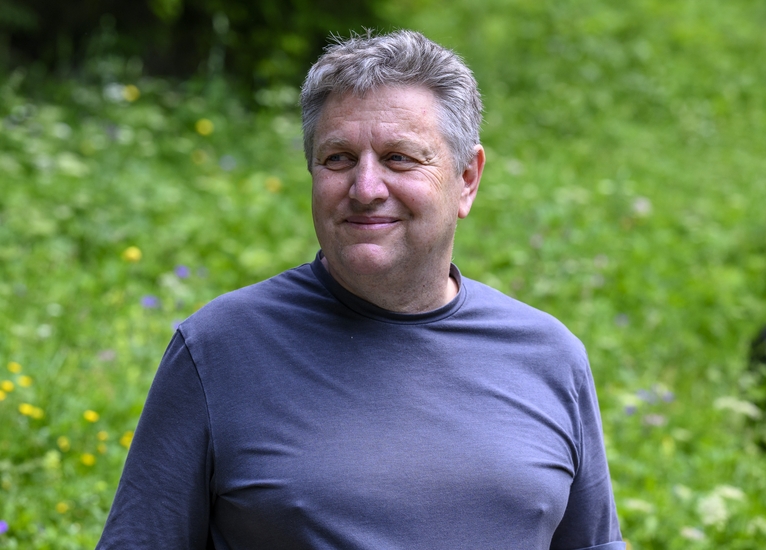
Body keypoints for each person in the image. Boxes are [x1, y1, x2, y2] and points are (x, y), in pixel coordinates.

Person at [97, 30, 625, 549]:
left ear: (467, 178)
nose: (366, 189)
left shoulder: (549, 356)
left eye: (399, 158)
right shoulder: (218, 350)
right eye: (338, 159)